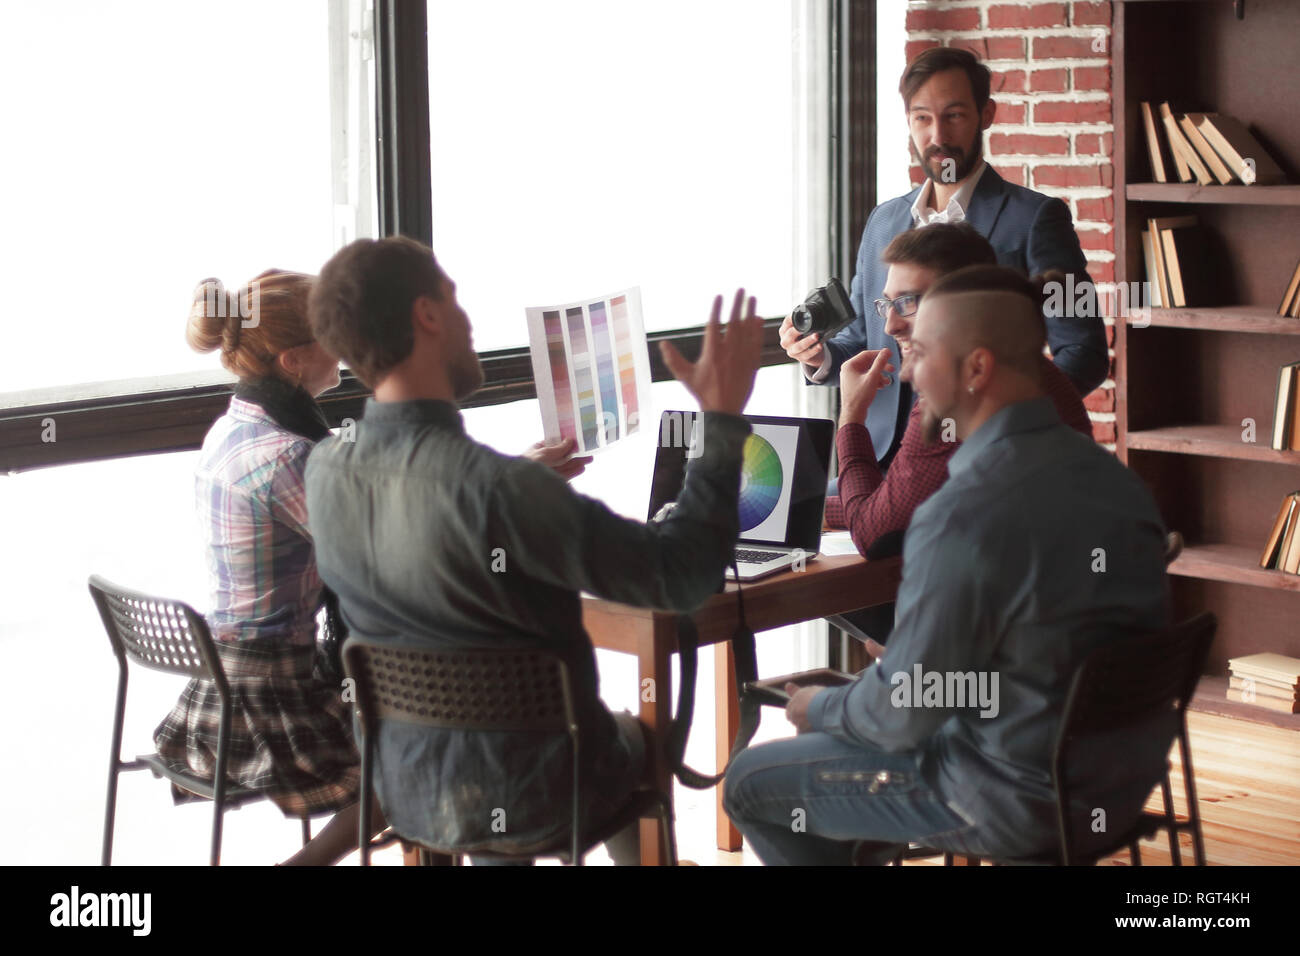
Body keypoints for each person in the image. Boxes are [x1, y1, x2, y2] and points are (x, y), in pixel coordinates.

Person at [303, 236, 763, 864]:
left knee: (505, 747)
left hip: (410, 789)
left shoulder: (326, 470)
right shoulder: (504, 491)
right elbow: (679, 577)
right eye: (453, 300)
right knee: (628, 735)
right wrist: (720, 421)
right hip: (543, 793)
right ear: (427, 315)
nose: (468, 322)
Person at [724, 264, 1170, 866]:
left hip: (1008, 797)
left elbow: (900, 715)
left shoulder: (963, 514)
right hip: (1114, 783)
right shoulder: (1118, 486)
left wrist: (817, 706)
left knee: (749, 781)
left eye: (921, 352)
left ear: (977, 368)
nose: (906, 370)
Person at [781, 46, 1106, 469]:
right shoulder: (883, 221)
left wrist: (1004, 422)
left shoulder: (1036, 219)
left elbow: (1083, 350)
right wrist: (818, 355)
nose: (937, 136)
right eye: (922, 118)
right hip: (879, 461)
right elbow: (865, 340)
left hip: (982, 463)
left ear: (985, 115)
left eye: (954, 115)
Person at [155, 270, 381, 866]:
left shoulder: (232, 428)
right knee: (414, 762)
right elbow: (385, 553)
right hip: (268, 695)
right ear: (293, 360)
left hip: (220, 683)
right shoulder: (289, 454)